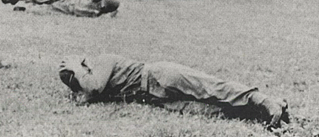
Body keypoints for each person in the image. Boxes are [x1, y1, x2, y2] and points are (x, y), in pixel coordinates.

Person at [58, 54, 289, 130]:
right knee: (207, 110)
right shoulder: (89, 78)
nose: (77, 82)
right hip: (152, 97)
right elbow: (85, 96)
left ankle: (264, 100)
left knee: (211, 87)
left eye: (76, 76)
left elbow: (93, 87)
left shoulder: (101, 60)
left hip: (158, 75)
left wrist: (77, 67)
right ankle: (260, 112)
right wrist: (77, 82)